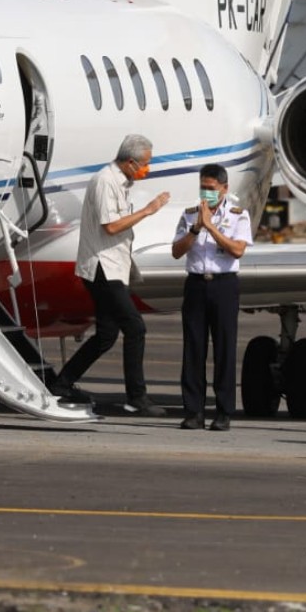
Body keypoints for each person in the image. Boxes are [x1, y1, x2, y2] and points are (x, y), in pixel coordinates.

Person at [47, 134, 171, 416]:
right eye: (144, 165)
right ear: (130, 162)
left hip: (113, 265)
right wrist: (148, 211)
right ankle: (136, 398)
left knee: (106, 335)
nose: (146, 170)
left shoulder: (121, 182)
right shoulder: (105, 181)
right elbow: (111, 227)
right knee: (135, 327)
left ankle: (62, 383)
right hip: (102, 267)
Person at [171, 164, 252, 432]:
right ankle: (193, 411)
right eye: (203, 188)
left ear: (224, 188)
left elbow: (237, 250)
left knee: (224, 348)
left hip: (224, 285)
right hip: (196, 284)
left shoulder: (239, 215)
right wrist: (196, 229)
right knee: (193, 349)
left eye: (211, 189)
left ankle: (224, 411)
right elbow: (176, 251)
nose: (206, 194)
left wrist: (211, 228)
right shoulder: (189, 214)